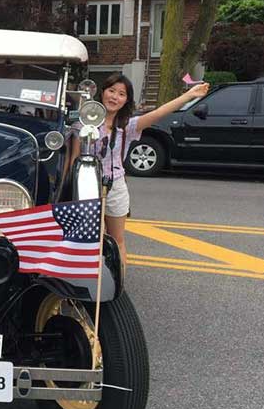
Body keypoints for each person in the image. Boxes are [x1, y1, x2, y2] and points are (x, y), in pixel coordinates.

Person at [68, 73, 210, 270]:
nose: (114, 97)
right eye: (111, 91)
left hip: (115, 185)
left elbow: (160, 112)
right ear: (102, 93)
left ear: (126, 100)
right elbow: (74, 159)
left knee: (117, 240)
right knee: (91, 239)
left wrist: (189, 95)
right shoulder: (82, 124)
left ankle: (118, 284)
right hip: (86, 187)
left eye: (121, 94)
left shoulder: (128, 126)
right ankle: (92, 284)